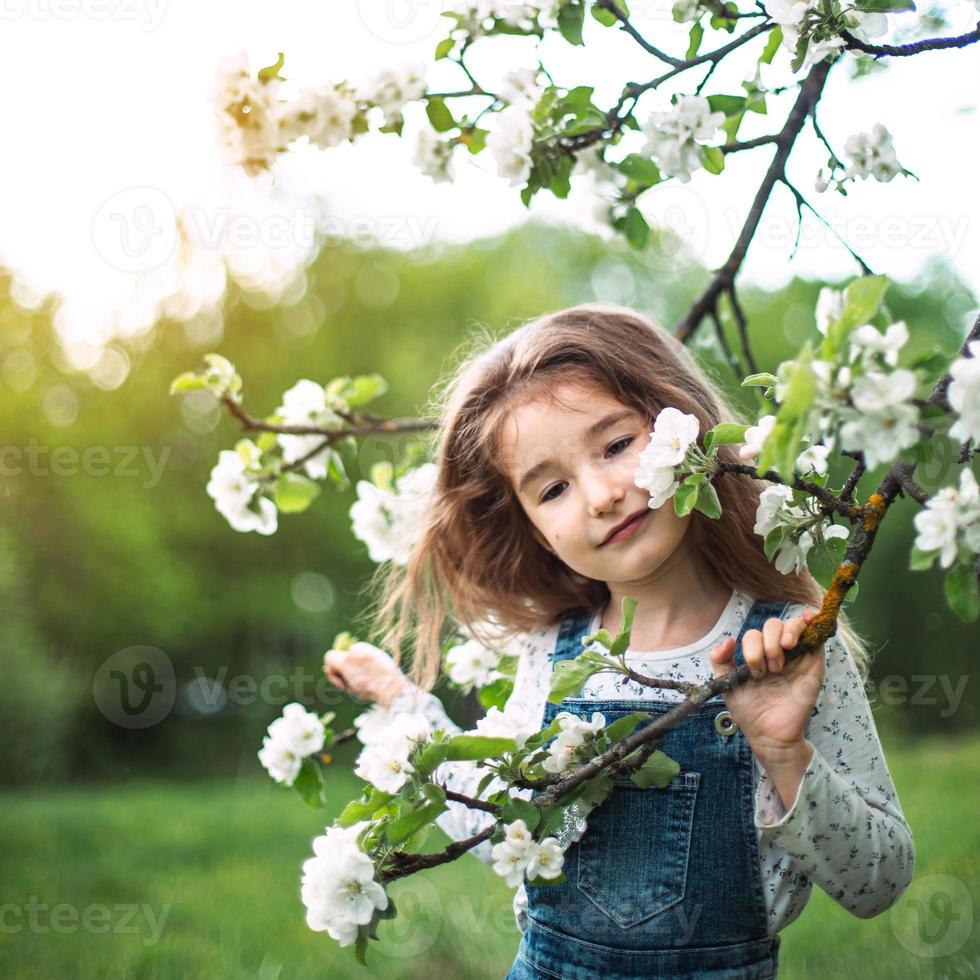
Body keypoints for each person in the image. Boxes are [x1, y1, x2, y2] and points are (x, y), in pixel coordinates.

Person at [323, 303, 915, 979]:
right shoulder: (555, 655)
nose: (601, 495)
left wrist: (784, 752)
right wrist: (404, 706)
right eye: (552, 488)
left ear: (684, 429)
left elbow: (879, 881)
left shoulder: (787, 651)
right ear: (532, 528)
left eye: (615, 445)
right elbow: (505, 827)